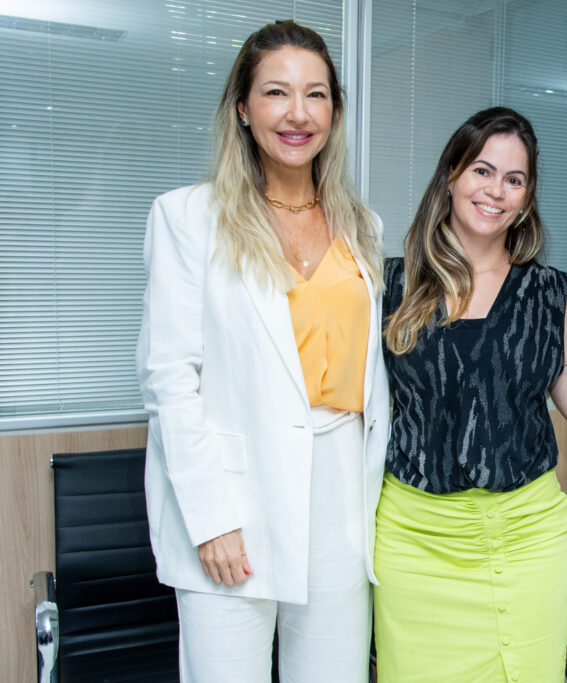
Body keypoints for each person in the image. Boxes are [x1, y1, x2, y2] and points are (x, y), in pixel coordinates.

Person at [136, 20, 388, 682]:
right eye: (277, 93)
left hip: (339, 494)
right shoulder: (189, 218)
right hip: (235, 497)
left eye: (317, 94)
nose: (298, 113)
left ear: (335, 109)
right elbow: (170, 379)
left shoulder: (362, 227)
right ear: (243, 108)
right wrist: (211, 519)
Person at [373, 107, 567, 682]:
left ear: (526, 199)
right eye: (482, 170)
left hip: (528, 538)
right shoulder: (389, 286)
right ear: (450, 177)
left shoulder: (548, 293)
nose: (495, 190)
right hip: (414, 539)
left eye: (514, 179)